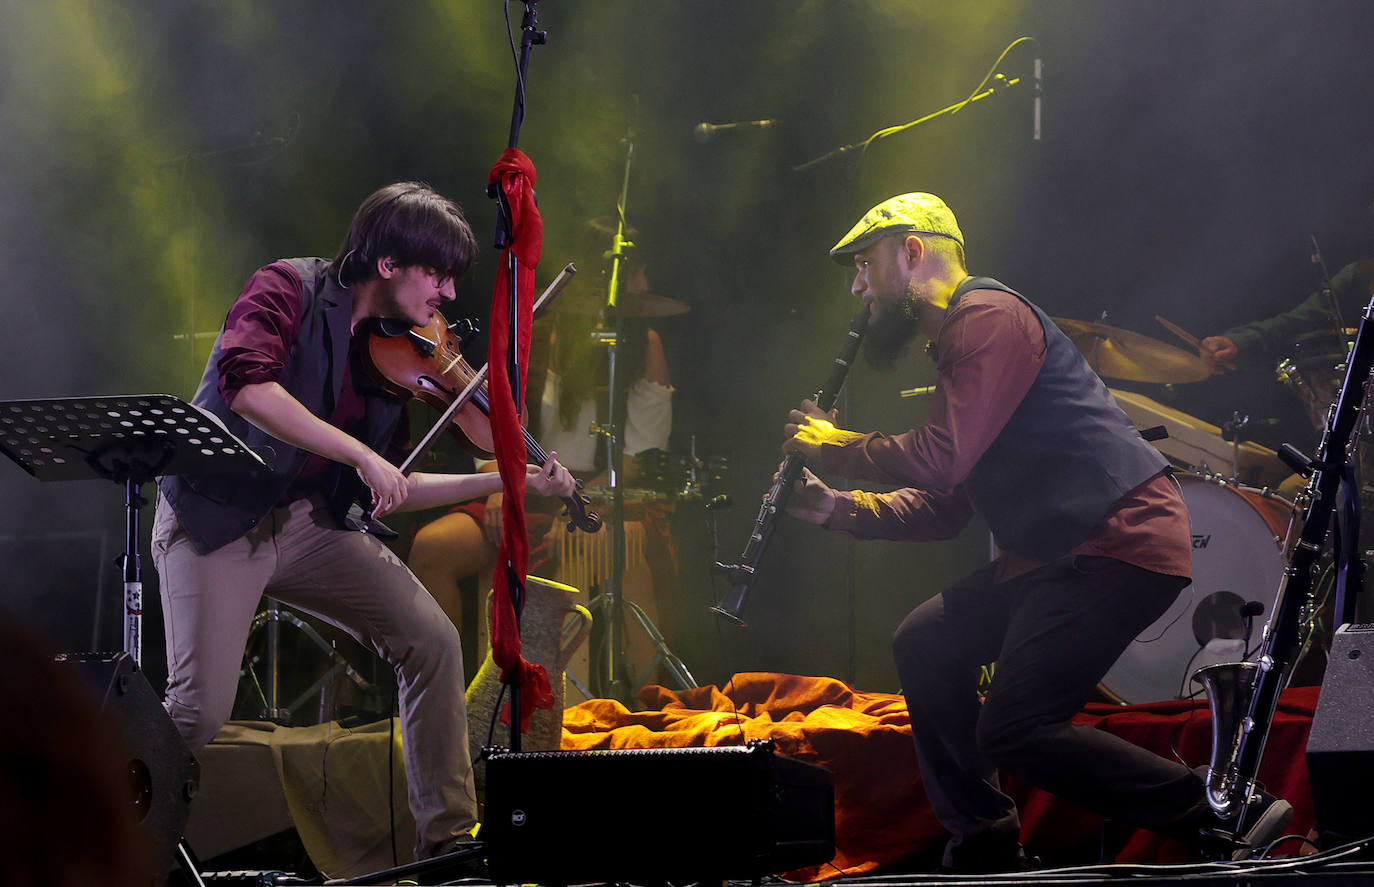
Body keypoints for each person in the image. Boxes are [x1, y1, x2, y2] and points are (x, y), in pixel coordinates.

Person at [778, 193, 1292, 870]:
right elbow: (947, 503)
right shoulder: (957, 346)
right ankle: (984, 842)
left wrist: (837, 444)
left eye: (863, 263)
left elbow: (942, 456)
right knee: (927, 641)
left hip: (1115, 542)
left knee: (1016, 726)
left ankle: (1224, 808)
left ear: (910, 251)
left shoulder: (986, 318)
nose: (856, 284)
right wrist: (836, 507)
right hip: (1056, 557)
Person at [152, 181, 575, 861]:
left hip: (306, 523)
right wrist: (358, 454)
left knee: (431, 641)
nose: (448, 295)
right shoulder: (285, 287)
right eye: (437, 274)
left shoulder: (390, 357)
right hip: (220, 515)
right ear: (387, 264)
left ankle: (447, 847)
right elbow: (248, 386)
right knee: (200, 707)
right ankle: (100, 810)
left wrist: (512, 474)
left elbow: (395, 489)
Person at [408, 254, 674, 688]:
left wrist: (579, 498)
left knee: (626, 553)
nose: (642, 288)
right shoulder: (534, 339)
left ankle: (650, 700)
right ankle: (449, 695)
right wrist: (500, 483)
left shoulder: (643, 345)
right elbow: (495, 425)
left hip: (596, 497)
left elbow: (640, 454)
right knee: (431, 547)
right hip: (526, 486)